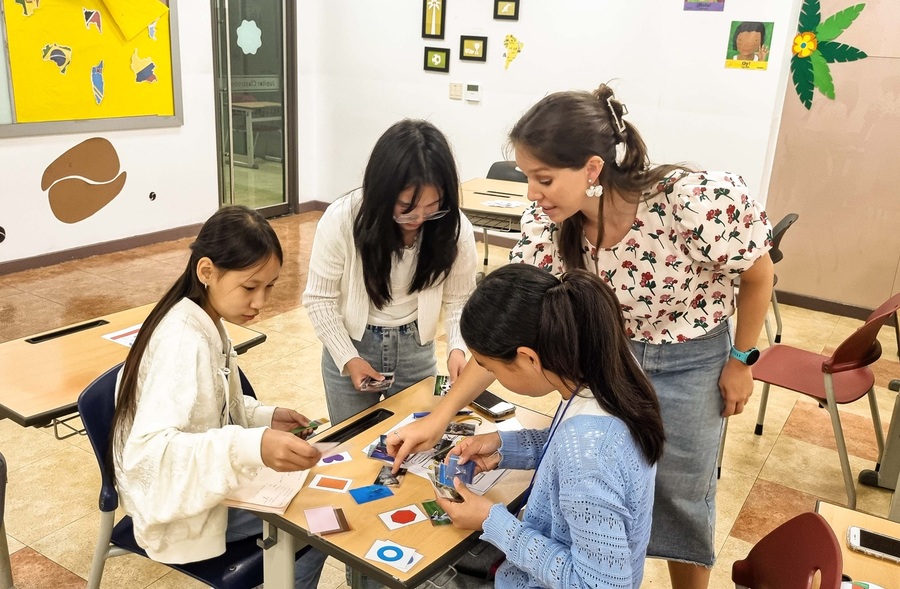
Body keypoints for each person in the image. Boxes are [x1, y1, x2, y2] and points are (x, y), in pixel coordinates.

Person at [389, 84, 774, 589]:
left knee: (682, 492)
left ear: (593, 169)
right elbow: (506, 335)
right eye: (527, 177)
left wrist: (741, 359)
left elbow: (758, 274)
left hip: (692, 356)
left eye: (543, 178)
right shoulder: (549, 225)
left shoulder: (691, 201)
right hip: (613, 353)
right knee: (608, 469)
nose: (531, 192)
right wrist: (441, 419)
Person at [111, 206, 327, 588]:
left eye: (270, 286)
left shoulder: (202, 317)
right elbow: (149, 457)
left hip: (199, 485)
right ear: (207, 272)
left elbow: (205, 411)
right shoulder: (183, 342)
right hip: (176, 505)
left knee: (318, 495)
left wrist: (263, 418)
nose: (260, 302)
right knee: (319, 515)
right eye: (249, 287)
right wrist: (249, 445)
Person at [432, 264, 664, 588]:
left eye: (491, 368)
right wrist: (504, 447)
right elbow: (568, 449)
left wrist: (492, 520)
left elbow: (602, 586)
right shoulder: (602, 374)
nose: (492, 378)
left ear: (528, 358)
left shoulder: (587, 454)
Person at [303, 119, 477, 426]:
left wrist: (457, 349)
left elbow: (459, 300)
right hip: (353, 342)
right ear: (382, 192)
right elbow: (319, 299)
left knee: (416, 439)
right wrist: (348, 358)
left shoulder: (454, 228)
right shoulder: (343, 219)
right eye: (406, 207)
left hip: (415, 348)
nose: (419, 218)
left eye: (432, 207)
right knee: (353, 442)